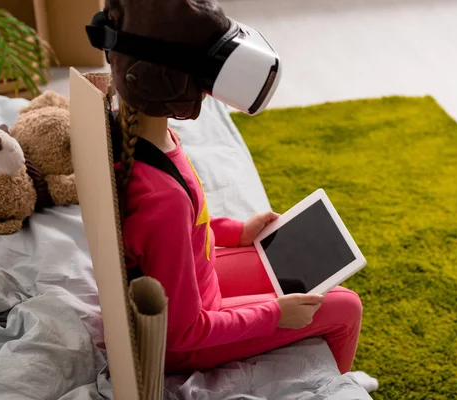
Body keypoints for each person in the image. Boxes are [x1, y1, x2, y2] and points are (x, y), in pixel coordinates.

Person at [101, 0, 377, 392]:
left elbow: (180, 233)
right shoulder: (162, 197)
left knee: (293, 262)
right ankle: (335, 386)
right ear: (169, 81)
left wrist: (236, 231)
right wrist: (273, 315)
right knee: (345, 306)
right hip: (186, 340)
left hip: (198, 279)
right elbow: (185, 332)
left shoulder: (148, 141)